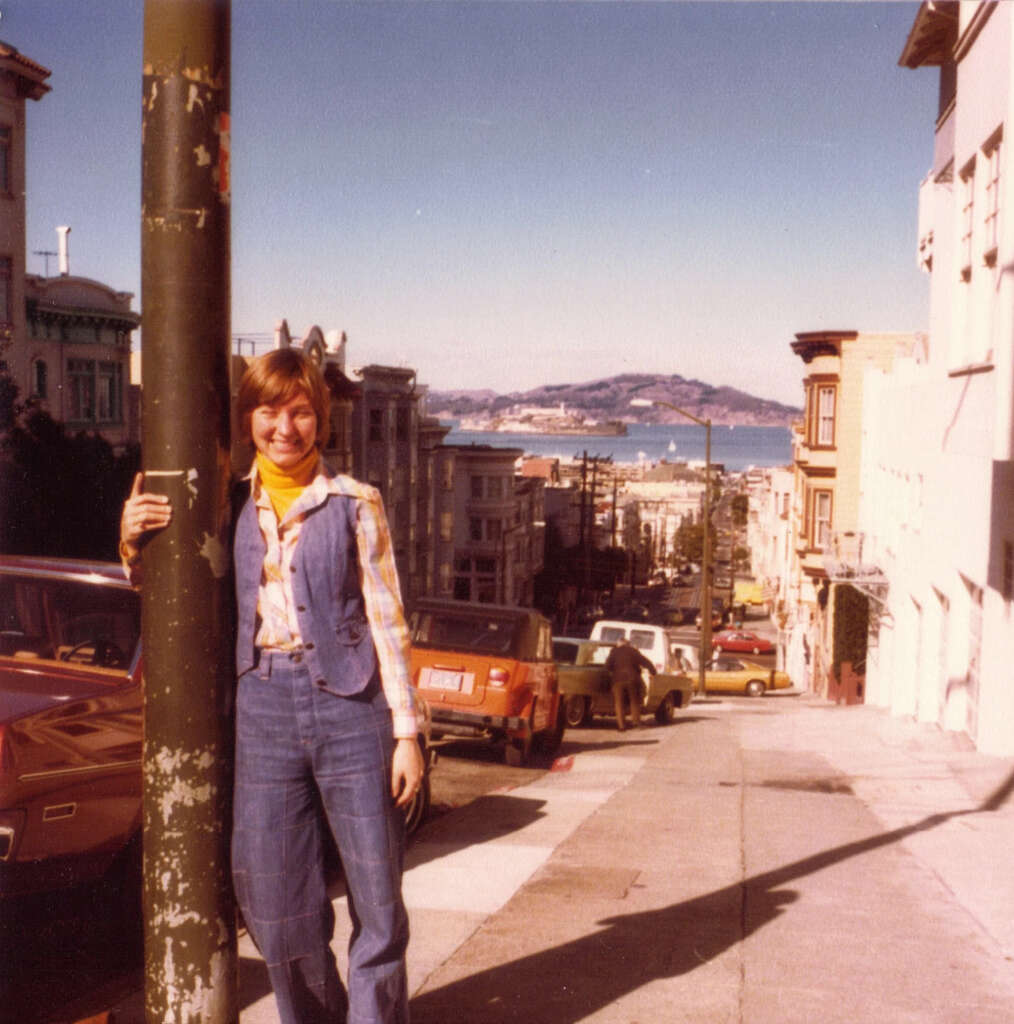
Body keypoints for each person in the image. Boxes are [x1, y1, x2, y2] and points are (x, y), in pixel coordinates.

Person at [120, 347, 423, 1024]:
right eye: (268, 411)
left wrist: (407, 734)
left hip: (354, 709)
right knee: (275, 906)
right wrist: (132, 546)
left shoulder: (356, 504)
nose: (284, 427)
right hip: (262, 709)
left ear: (321, 421)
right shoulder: (223, 503)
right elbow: (176, 597)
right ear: (247, 417)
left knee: (377, 903)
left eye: (300, 412)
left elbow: (387, 622)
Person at [604, 638, 656, 732]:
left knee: (619, 702)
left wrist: (612, 673)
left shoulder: (614, 652)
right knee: (634, 701)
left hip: (617, 680)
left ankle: (621, 726)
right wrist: (653, 671)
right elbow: (646, 662)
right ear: (628, 644)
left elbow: (607, 666)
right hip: (632, 679)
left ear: (618, 644)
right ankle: (636, 723)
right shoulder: (633, 651)